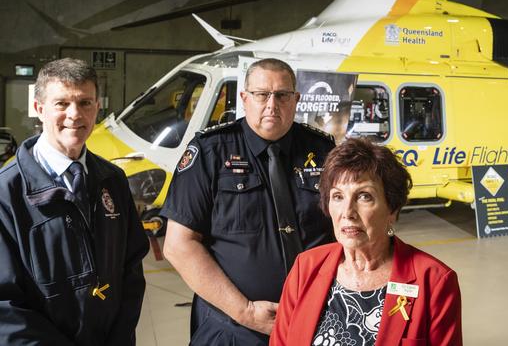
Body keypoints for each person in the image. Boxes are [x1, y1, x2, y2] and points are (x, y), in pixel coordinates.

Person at [161, 58, 335, 344]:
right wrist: (245, 311)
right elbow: (179, 246)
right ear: (244, 98)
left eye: (282, 95)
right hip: (233, 326)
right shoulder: (210, 152)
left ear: (297, 100)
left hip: (314, 319)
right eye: (261, 94)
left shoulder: (323, 151)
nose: (272, 104)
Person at [0, 58, 149, 345]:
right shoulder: (7, 193)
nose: (74, 115)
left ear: (97, 108)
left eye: (85, 103)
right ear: (38, 108)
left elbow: (131, 271)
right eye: (61, 103)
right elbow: (6, 308)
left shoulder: (113, 179)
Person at [270, 138, 462, 345]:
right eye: (337, 196)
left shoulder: (435, 281)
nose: (348, 213)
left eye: (364, 196)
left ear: (392, 209)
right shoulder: (305, 267)